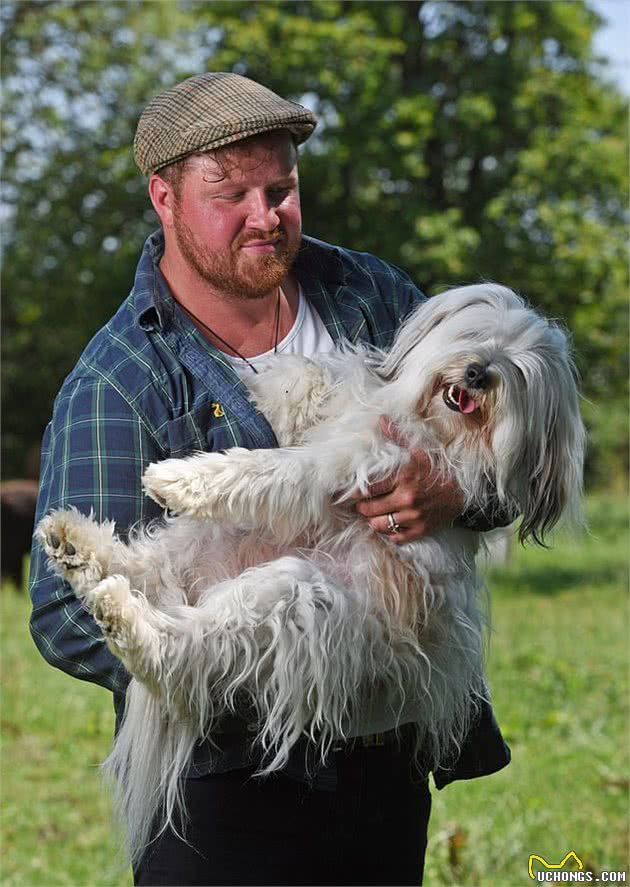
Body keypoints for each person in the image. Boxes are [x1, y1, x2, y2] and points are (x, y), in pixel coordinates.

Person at [29, 72, 511, 886]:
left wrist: (457, 492)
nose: (267, 215)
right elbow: (61, 612)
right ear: (165, 198)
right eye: (234, 194)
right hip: (225, 795)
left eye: (281, 188)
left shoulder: (377, 299)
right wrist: (273, 652)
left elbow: (513, 453)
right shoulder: (117, 380)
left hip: (386, 768)